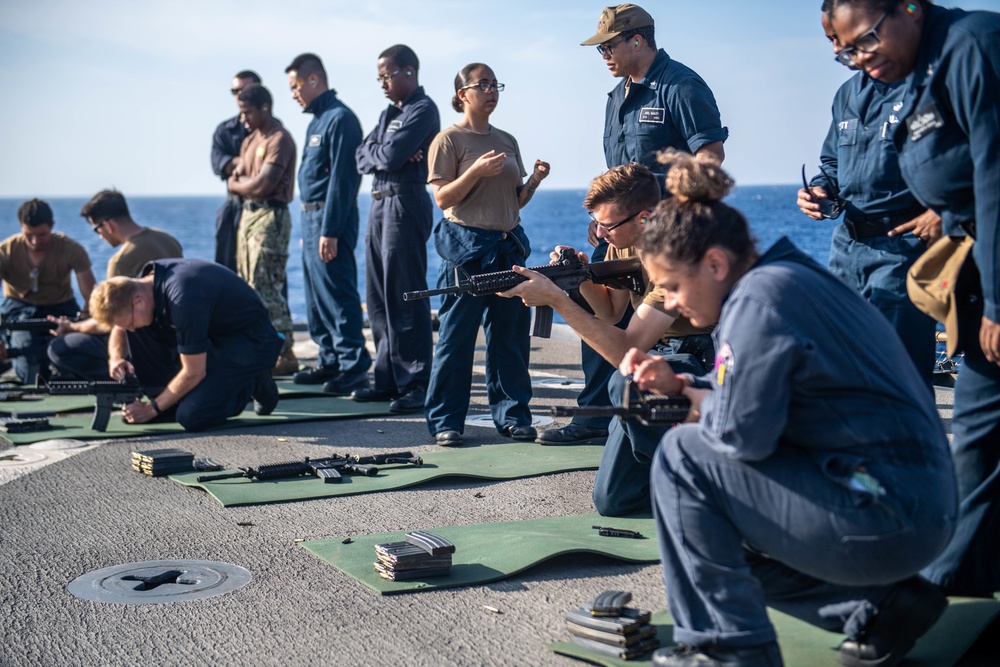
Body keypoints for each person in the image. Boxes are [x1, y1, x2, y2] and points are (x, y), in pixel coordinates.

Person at [633, 153, 956, 667]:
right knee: (710, 493)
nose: (669, 304)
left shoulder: (757, 303)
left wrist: (697, 403)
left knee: (683, 459)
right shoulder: (789, 277)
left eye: (672, 286)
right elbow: (766, 402)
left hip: (885, 515)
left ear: (716, 264)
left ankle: (730, 649)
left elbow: (741, 439)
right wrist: (687, 385)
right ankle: (881, 604)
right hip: (917, 506)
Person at [828, 0, 1000, 601]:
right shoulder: (912, 69)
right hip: (967, 271)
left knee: (972, 438)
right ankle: (959, 593)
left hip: (980, 279)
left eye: (866, 40)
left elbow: (995, 179)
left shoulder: (974, 46)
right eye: (847, 51)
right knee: (976, 448)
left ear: (910, 7)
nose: (860, 58)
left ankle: (943, 590)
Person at [548, 2, 729, 447]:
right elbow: (616, 173)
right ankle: (597, 417)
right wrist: (605, 220)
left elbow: (710, 157)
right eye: (600, 49)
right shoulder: (616, 98)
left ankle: (682, 400)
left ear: (637, 39)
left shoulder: (680, 84)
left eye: (609, 46)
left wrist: (673, 216)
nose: (604, 55)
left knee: (661, 328)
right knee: (598, 309)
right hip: (623, 231)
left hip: (665, 235)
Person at [503, 162, 713, 516]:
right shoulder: (622, 241)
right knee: (613, 500)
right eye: (595, 222)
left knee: (625, 383)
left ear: (645, 218)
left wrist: (555, 299)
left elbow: (629, 351)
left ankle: (696, 478)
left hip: (701, 362)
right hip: (662, 356)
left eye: (608, 225)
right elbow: (611, 312)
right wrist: (576, 279)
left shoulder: (678, 252)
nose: (599, 234)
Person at [796, 4, 938, 386]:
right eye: (830, 40)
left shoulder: (921, 86)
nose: (837, 49)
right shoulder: (845, 96)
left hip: (901, 250)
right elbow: (832, 162)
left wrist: (942, 211)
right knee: (844, 370)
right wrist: (820, 190)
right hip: (846, 252)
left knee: (901, 379)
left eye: (839, 39)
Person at [424, 63, 549, 446]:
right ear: (463, 94)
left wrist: (535, 181)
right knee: (456, 338)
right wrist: (475, 171)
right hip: (467, 249)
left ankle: (513, 416)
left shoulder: (507, 139)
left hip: (507, 246)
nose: (492, 90)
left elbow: (514, 202)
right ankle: (446, 421)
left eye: (496, 84)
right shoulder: (448, 141)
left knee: (510, 337)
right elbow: (443, 197)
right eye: (483, 85)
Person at [88, 258, 283, 432]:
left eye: (129, 322)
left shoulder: (183, 298)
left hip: (250, 342)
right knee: (140, 332)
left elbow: (193, 372)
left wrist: (151, 409)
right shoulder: (140, 287)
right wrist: (116, 357)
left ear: (138, 302)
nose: (130, 329)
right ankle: (166, 396)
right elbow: (120, 328)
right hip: (212, 333)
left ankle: (253, 380)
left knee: (191, 416)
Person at [353, 44, 439, 414]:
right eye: (379, 77)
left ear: (408, 72)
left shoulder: (423, 109)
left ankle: (416, 381)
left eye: (387, 75)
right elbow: (362, 155)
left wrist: (385, 151)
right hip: (378, 203)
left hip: (405, 201)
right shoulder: (390, 113)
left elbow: (385, 155)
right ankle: (387, 377)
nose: (382, 83)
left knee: (405, 293)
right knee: (377, 297)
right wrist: (385, 150)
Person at [285, 53, 372, 395]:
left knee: (337, 293)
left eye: (295, 86)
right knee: (315, 296)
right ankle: (330, 360)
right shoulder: (315, 122)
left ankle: (353, 367)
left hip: (329, 217)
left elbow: (343, 181)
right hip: (310, 217)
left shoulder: (341, 119)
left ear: (313, 80)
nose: (293, 93)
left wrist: (330, 230)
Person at [47, 189, 183, 381]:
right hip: (175, 336)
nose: (99, 236)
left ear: (108, 225)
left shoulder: (121, 261)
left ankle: (132, 378)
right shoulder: (167, 239)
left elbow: (110, 320)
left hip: (143, 338)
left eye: (96, 229)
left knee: (60, 348)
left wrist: (72, 327)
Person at [227, 83, 298, 376]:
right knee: (248, 286)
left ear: (264, 108)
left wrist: (238, 185)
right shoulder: (249, 140)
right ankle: (262, 348)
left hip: (271, 216)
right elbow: (236, 177)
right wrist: (241, 184)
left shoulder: (279, 139)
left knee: (265, 284)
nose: (243, 119)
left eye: (247, 112)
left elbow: (261, 185)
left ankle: (285, 352)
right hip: (248, 217)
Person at [0, 199, 95, 383]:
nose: (36, 241)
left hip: (61, 309)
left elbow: (91, 296)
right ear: (21, 227)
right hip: (19, 311)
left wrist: (84, 319)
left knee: (75, 359)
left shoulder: (72, 249)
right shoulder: (5, 252)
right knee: (29, 367)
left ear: (52, 226)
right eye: (29, 235)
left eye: (42, 235)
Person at [211, 70, 260, 272]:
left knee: (262, 271)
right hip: (233, 209)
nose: (239, 95)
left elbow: (267, 168)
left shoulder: (271, 131)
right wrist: (251, 162)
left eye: (244, 89)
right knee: (225, 271)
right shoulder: (224, 130)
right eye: (235, 91)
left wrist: (237, 165)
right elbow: (218, 165)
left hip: (260, 209)